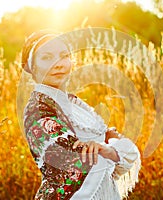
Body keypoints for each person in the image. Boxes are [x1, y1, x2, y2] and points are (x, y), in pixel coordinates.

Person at [20, 29, 141, 200]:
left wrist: (110, 151)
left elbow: (126, 148)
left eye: (64, 55)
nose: (59, 64)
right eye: (47, 57)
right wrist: (111, 150)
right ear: (31, 66)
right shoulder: (38, 110)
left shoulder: (74, 104)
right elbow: (81, 160)